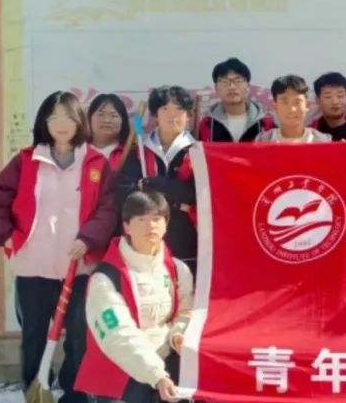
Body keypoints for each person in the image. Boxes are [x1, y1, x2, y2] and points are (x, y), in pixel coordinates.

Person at [0, 91, 117, 403]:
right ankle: (35, 395)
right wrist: (8, 237)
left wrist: (88, 239)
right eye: (54, 117)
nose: (61, 125)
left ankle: (74, 399)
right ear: (44, 122)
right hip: (35, 266)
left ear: (79, 122)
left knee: (79, 337)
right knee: (35, 337)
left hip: (79, 267)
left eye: (68, 117)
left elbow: (108, 209)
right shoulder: (26, 161)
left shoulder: (95, 163)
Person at [75, 191, 195, 403]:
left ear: (166, 224)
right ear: (127, 226)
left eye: (157, 219)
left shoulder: (177, 269)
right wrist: (156, 376)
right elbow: (119, 335)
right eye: (141, 219)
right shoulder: (105, 278)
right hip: (124, 360)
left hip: (165, 352)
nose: (151, 226)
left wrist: (178, 332)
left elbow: (186, 312)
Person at [117, 85, 198, 272]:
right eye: (165, 108)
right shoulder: (139, 150)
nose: (173, 115)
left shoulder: (198, 152)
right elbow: (124, 191)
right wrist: (177, 202)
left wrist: (164, 186)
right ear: (155, 115)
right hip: (144, 240)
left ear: (188, 116)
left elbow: (197, 195)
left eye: (179, 109)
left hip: (186, 241)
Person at [197, 57, 272, 142]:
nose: (232, 87)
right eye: (225, 82)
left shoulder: (266, 124)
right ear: (216, 88)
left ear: (248, 86)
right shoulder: (205, 125)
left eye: (238, 81)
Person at [255, 75, 333, 144]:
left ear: (306, 105)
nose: (292, 109)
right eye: (285, 102)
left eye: (297, 102)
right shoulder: (263, 141)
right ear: (275, 106)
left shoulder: (323, 141)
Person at [87, 93, 131, 170]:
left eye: (114, 116)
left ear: (123, 121)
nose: (107, 120)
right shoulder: (78, 153)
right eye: (101, 114)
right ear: (89, 119)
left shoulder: (134, 154)